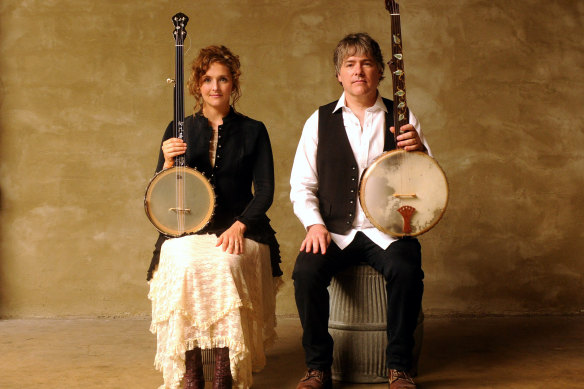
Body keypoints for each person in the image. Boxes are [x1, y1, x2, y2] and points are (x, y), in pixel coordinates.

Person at [290, 33, 431, 389]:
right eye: (350, 64)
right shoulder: (318, 121)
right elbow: (301, 185)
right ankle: (317, 367)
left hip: (387, 231)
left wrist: (420, 153)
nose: (358, 71)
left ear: (380, 72)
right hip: (335, 231)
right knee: (306, 272)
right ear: (338, 74)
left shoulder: (403, 115)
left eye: (366, 63)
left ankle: (399, 366)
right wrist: (314, 225)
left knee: (407, 269)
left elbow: (427, 181)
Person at [147, 45, 283, 389]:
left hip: (242, 226)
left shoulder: (254, 130)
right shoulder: (178, 128)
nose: (215, 87)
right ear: (196, 85)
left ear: (233, 83)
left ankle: (224, 370)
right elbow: (157, 195)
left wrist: (241, 224)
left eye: (223, 79)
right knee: (182, 263)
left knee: (226, 264)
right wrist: (165, 163)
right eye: (207, 79)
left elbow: (265, 190)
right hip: (187, 230)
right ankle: (192, 370)